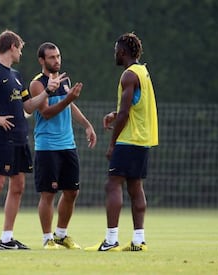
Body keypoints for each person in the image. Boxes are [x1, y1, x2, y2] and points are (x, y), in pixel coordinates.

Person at [0, 30, 66, 250]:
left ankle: (7, 238)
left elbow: (28, 106)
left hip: (20, 138)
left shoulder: (17, 75)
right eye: (20, 47)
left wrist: (48, 91)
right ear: (12, 47)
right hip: (2, 138)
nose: (21, 52)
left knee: (18, 186)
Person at [85, 33, 158, 252]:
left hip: (128, 139)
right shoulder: (142, 72)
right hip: (143, 138)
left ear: (123, 52)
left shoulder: (128, 75)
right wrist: (115, 114)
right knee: (135, 187)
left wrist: (112, 143)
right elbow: (133, 106)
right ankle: (138, 240)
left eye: (116, 49)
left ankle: (111, 240)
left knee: (112, 184)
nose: (114, 53)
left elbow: (126, 112)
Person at [29, 42, 97, 249]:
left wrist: (87, 125)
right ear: (42, 60)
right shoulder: (37, 84)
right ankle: (47, 238)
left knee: (72, 192)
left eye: (58, 56)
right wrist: (68, 99)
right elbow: (46, 113)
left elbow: (71, 105)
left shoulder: (63, 80)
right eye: (51, 57)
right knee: (48, 194)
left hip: (68, 144)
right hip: (47, 146)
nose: (56, 60)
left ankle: (61, 234)